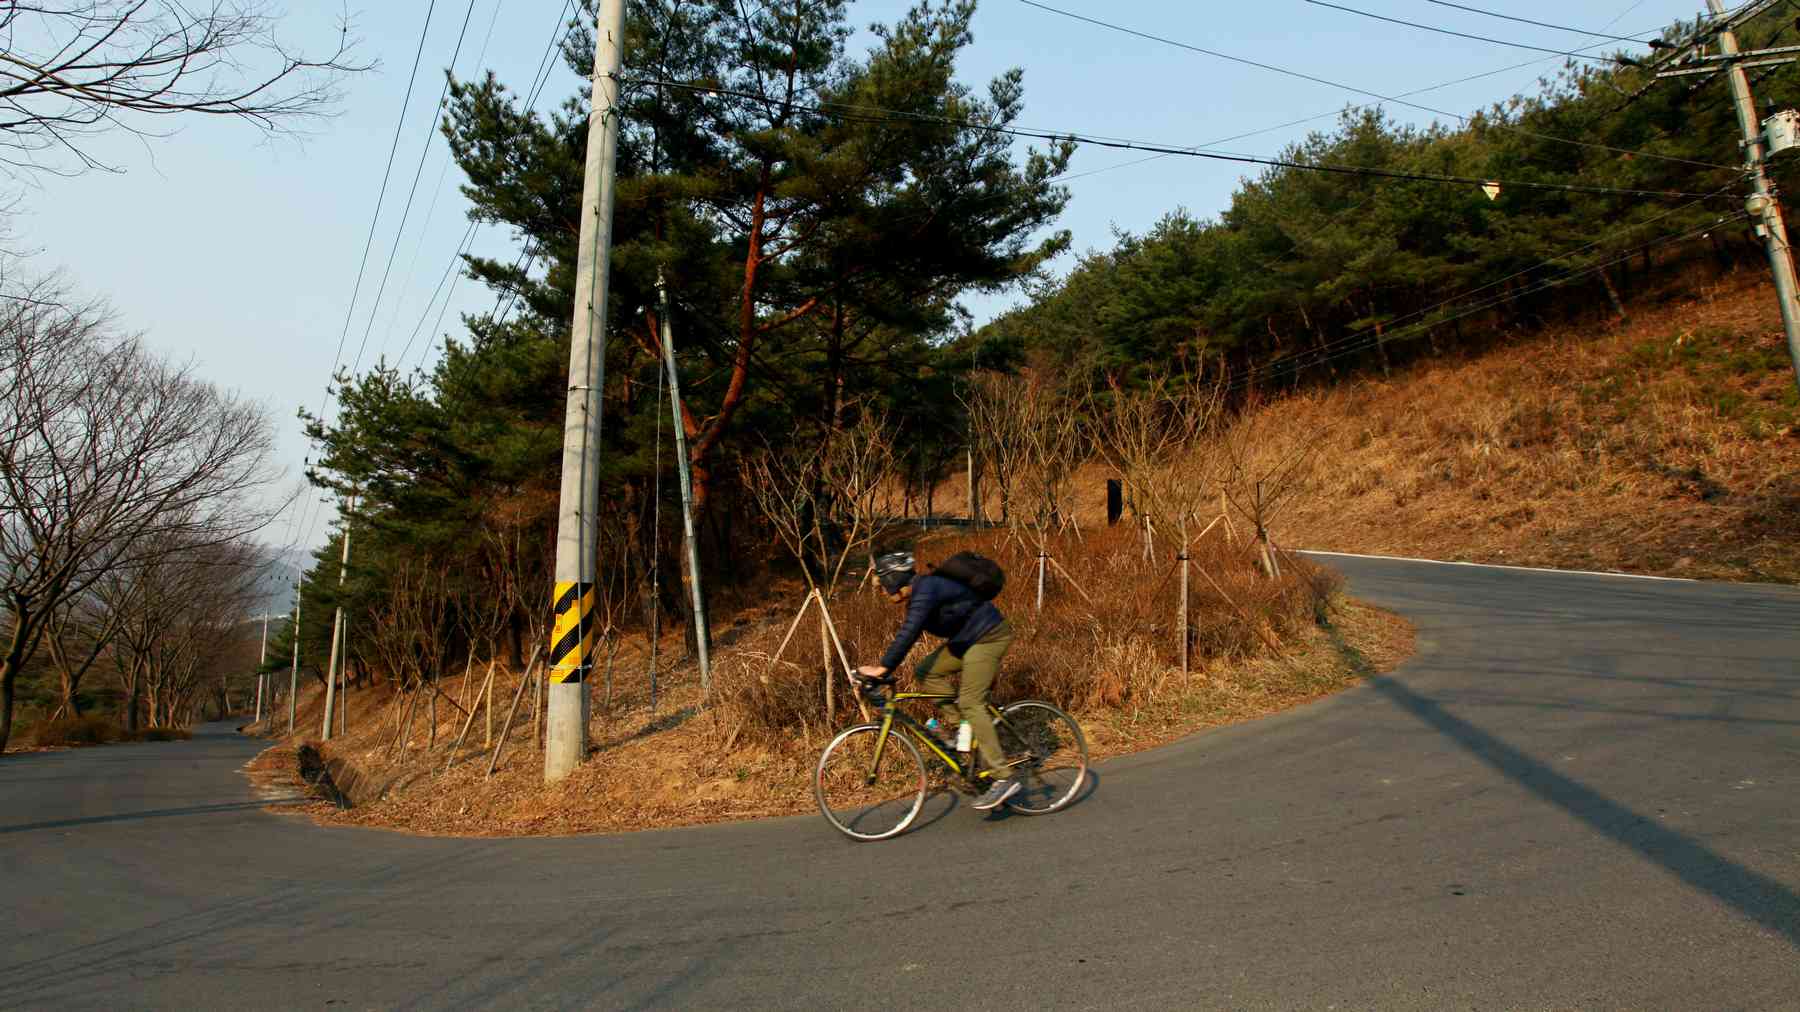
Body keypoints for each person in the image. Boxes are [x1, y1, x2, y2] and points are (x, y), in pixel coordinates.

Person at [855, 550, 1019, 811]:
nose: (883, 593)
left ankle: (1003, 777)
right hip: (967, 639)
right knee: (926, 672)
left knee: (970, 701)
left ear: (893, 580)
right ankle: (961, 729)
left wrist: (882, 669)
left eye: (883, 586)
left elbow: (909, 632)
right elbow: (910, 630)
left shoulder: (926, 590)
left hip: (989, 636)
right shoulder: (921, 593)